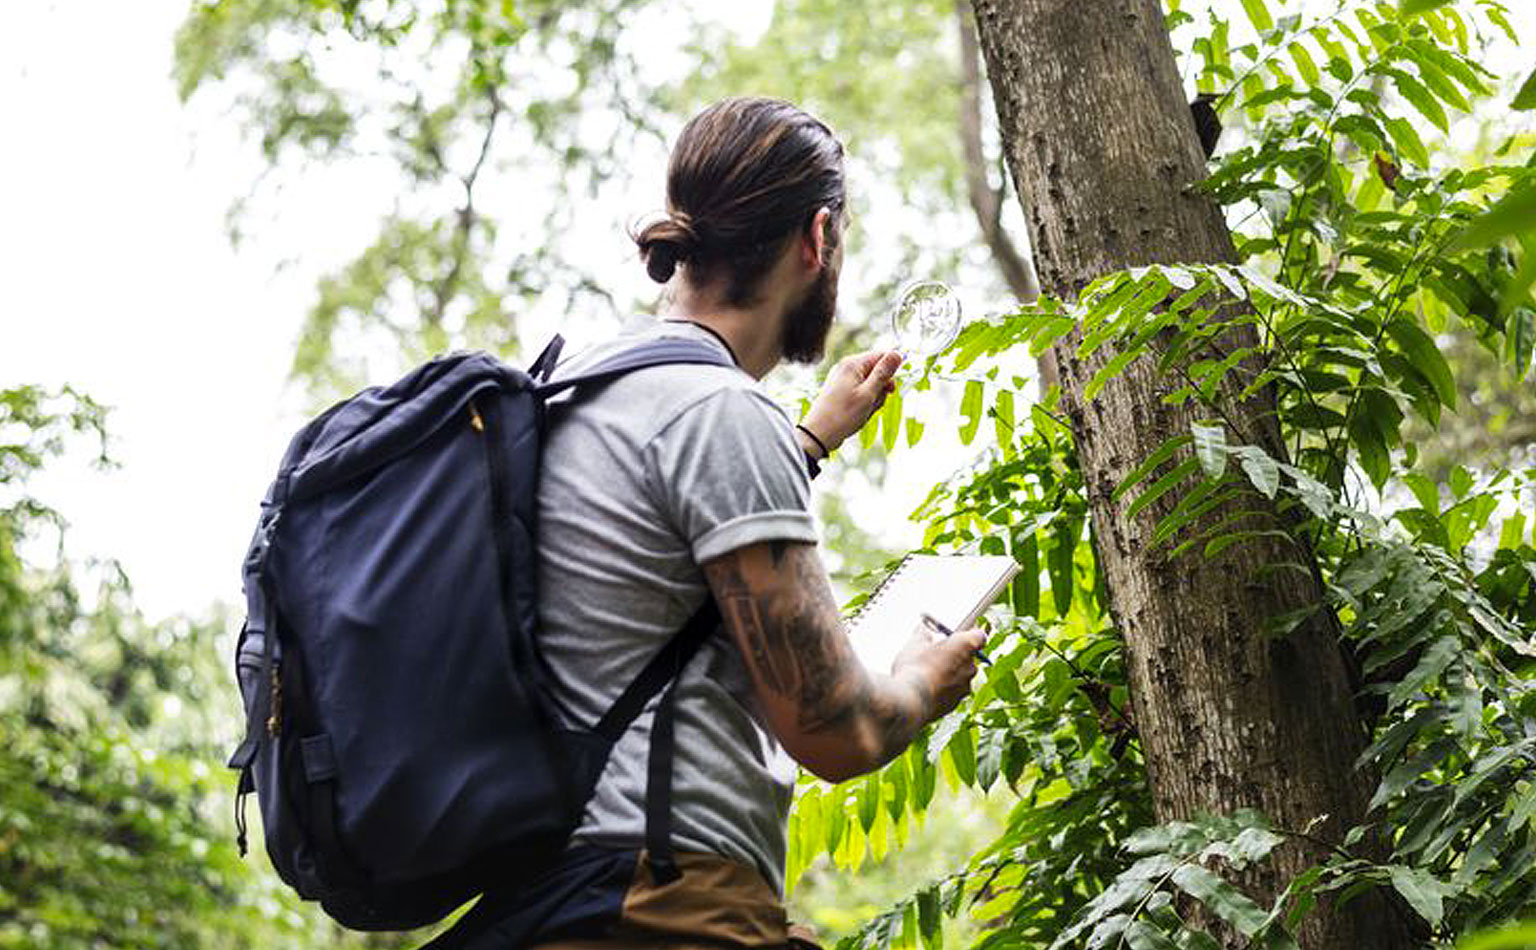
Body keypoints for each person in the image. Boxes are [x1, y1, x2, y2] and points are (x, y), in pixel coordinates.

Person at [442, 96, 984, 950]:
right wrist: (922, 679)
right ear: (816, 239)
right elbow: (836, 730)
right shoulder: (721, 416)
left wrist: (809, 439)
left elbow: (650, 574)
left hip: (548, 898)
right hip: (656, 897)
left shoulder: (576, 389)